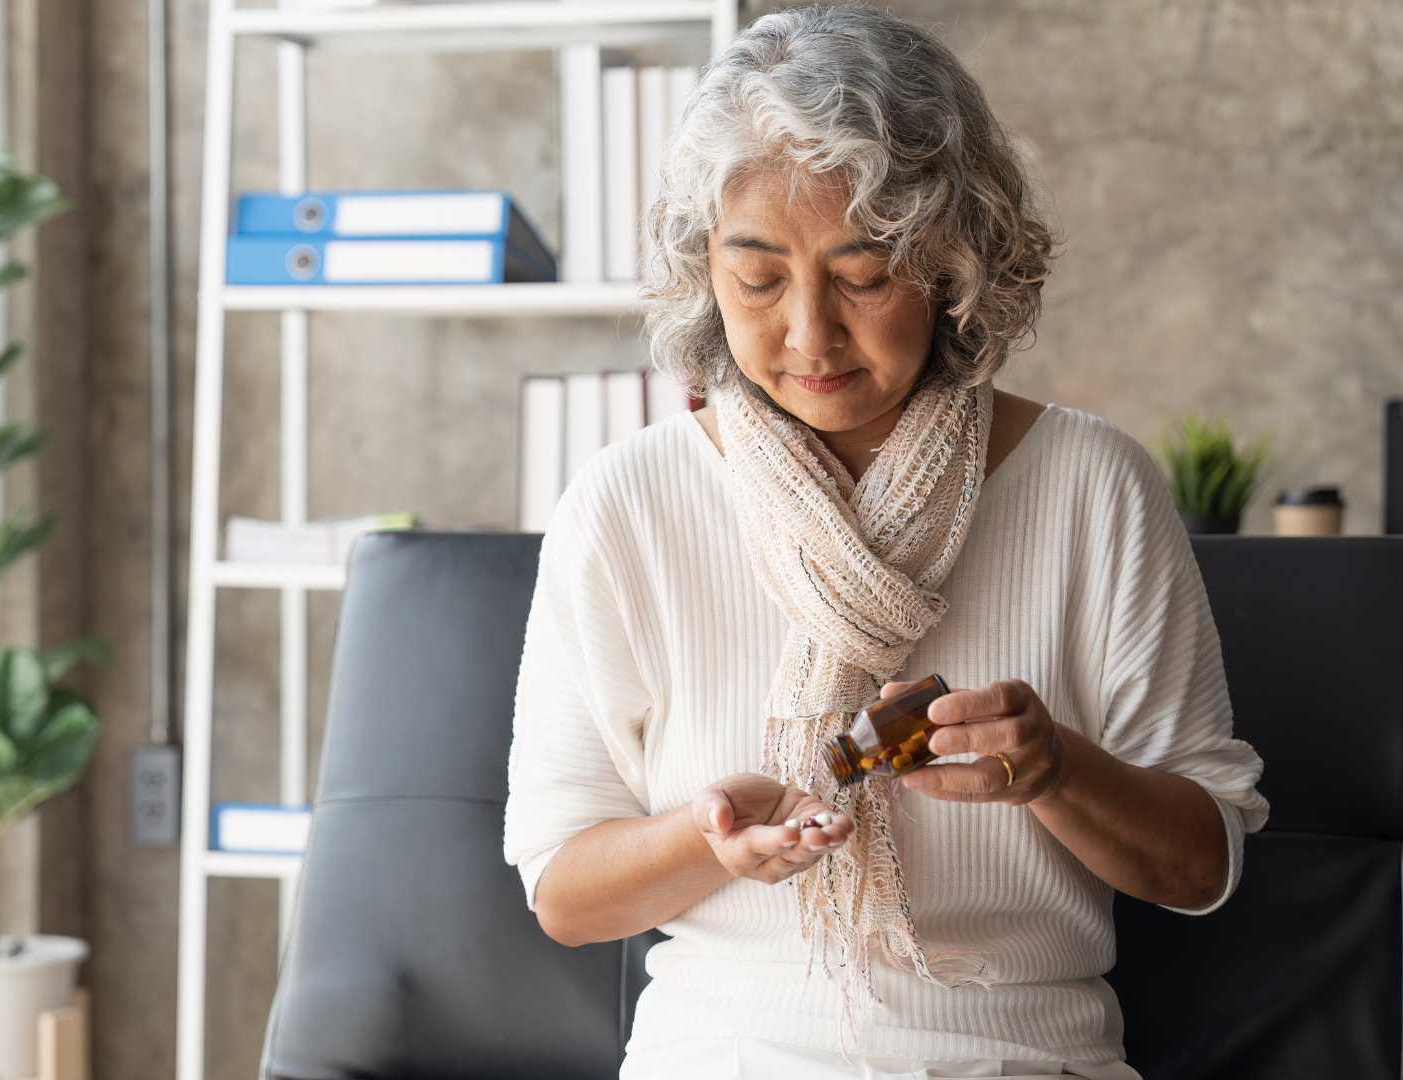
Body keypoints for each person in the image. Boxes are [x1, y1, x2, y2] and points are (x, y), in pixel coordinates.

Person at [502, 5, 1269, 1077]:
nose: (809, 333)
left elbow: (1199, 868)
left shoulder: (1093, 485)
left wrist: (1056, 773)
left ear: (957, 265)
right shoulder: (627, 503)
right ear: (703, 268)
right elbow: (566, 897)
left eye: (865, 275)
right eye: (758, 278)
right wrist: (705, 842)